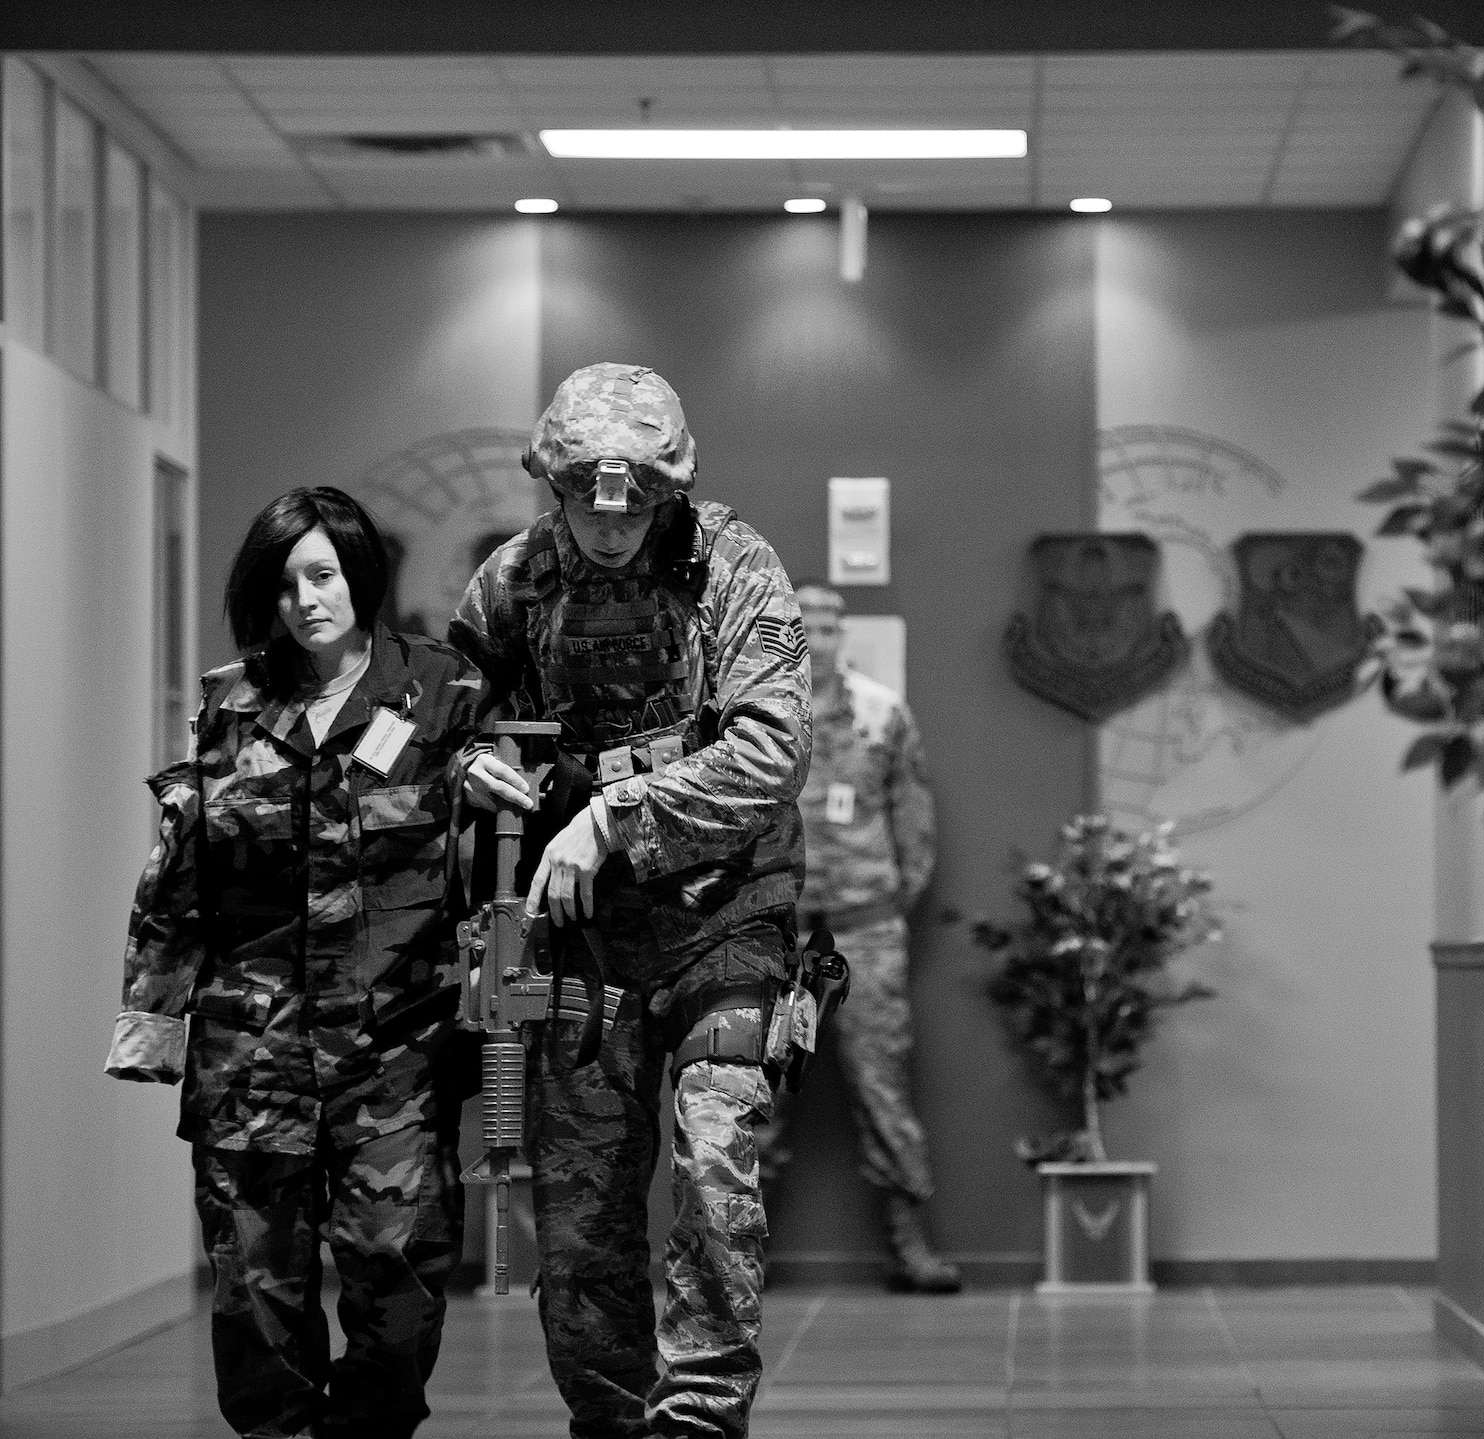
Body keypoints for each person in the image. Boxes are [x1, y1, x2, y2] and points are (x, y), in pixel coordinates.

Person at [449, 362, 809, 1439]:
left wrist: (614, 815)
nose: (610, 528)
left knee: (715, 1170)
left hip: (724, 917)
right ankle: (607, 1421)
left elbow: (771, 750)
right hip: (580, 938)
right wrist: (471, 765)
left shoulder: (734, 565)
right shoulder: (512, 584)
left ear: (671, 489)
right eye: (586, 503)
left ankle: (698, 1419)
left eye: (636, 505)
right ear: (551, 484)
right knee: (582, 1213)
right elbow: (445, 721)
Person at [105, 487, 484, 1439]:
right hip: (252, 1054)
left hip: (395, 1054)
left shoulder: (441, 690)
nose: (305, 600)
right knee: (255, 1298)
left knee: (400, 1282)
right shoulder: (229, 703)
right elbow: (179, 875)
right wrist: (152, 1018)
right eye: (283, 584)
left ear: (361, 572)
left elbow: (502, 847)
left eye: (323, 575)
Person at [759, 583, 959, 1293]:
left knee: (883, 1090)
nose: (818, 636)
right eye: (804, 625)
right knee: (760, 1093)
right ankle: (740, 1255)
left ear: (844, 633)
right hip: (777, 937)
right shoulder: (755, 715)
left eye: (829, 625)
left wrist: (887, 900)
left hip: (864, 933)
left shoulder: (881, 713)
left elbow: (914, 817)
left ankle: (909, 1246)